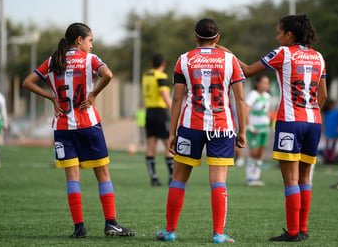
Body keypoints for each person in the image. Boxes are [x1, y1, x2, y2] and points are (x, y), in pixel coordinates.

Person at [218, 14, 327, 242]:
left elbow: (247, 71)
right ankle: (303, 229)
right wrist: (310, 112)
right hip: (314, 122)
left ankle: (293, 232)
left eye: (279, 32)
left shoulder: (283, 53)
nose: (276, 37)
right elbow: (323, 95)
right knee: (305, 179)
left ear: (289, 34)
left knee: (290, 180)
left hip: (290, 122)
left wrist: (227, 53)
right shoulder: (318, 57)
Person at [22, 23, 136, 238]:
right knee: (102, 174)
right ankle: (111, 223)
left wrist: (52, 97)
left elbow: (27, 82)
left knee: (72, 179)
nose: (91, 45)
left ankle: (79, 227)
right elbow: (108, 75)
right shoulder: (90, 60)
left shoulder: (53, 61)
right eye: (90, 40)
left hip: (63, 127)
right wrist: (93, 95)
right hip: (88, 124)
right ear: (79, 40)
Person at [155, 18, 246, 243]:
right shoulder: (230, 60)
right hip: (222, 127)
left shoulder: (184, 60)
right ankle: (218, 234)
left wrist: (172, 133)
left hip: (190, 126)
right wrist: (242, 131)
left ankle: (170, 231)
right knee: (218, 181)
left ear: (195, 37)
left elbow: (177, 99)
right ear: (218, 38)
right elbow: (240, 99)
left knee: (178, 179)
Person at [142, 53, 174, 186]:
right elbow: (164, 95)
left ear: (151, 64)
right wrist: (174, 111)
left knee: (151, 146)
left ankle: (153, 178)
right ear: (163, 64)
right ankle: (172, 178)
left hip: (149, 112)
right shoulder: (162, 76)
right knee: (169, 145)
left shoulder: (146, 76)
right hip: (161, 113)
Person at [245, 75, 271, 186]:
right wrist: (249, 126)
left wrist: (269, 122)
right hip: (254, 128)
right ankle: (250, 178)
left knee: (260, 154)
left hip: (264, 128)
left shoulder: (268, 96)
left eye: (267, 83)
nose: (266, 85)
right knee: (253, 153)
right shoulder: (253, 95)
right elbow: (246, 109)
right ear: (258, 83)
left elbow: (268, 111)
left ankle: (256, 177)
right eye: (264, 82)